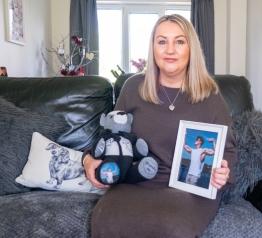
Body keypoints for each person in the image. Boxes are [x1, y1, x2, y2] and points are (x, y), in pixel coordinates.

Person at [83, 14, 236, 238]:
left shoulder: (210, 95)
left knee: (171, 226)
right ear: (153, 48)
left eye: (179, 41)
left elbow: (229, 151)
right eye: (162, 41)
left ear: (191, 48)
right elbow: (111, 136)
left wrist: (223, 171)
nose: (170, 50)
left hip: (189, 188)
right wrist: (87, 159)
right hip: (136, 179)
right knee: (106, 218)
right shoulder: (134, 87)